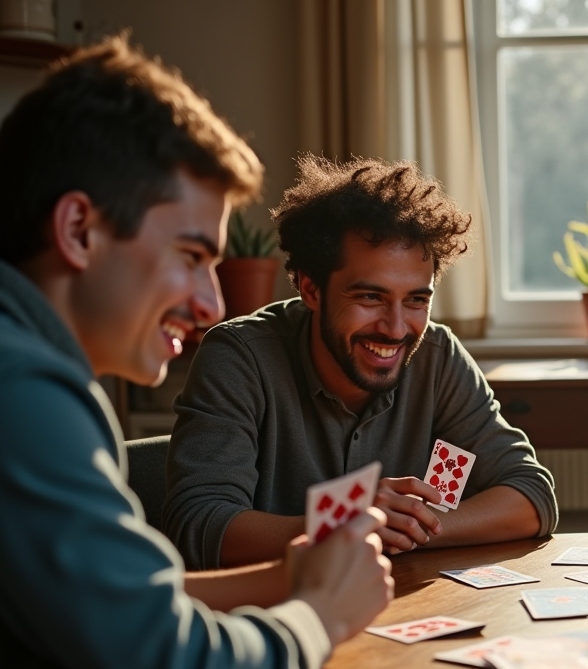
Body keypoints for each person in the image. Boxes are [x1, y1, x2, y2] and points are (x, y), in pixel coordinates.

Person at [0, 37, 396, 669]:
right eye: (190, 254)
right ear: (79, 229)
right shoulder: (22, 392)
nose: (213, 303)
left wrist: (282, 578)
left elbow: (125, 606)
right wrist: (316, 614)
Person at [164, 155, 557, 570]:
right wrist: (342, 520)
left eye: (416, 300)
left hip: (400, 608)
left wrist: (402, 530)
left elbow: (531, 496)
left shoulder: (437, 357)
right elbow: (198, 526)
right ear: (312, 291)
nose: (395, 328)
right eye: (370, 297)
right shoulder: (240, 357)